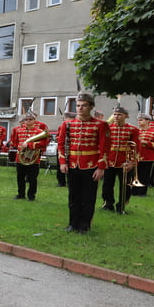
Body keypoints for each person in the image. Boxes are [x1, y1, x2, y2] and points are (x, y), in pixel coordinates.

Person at [58, 92, 109, 234]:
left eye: (84, 105)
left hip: (91, 166)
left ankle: (84, 225)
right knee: (73, 197)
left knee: (88, 197)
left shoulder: (101, 125)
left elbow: (104, 147)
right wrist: (63, 162)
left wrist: (101, 168)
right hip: (73, 165)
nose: (80, 108)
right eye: (78, 105)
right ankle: (72, 224)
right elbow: (61, 145)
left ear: (91, 107)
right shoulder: (67, 124)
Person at [101, 106, 140, 213]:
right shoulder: (108, 128)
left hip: (125, 161)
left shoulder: (133, 129)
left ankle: (121, 205)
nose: (116, 116)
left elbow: (136, 147)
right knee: (107, 184)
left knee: (126, 185)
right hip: (110, 160)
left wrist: (132, 162)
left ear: (126, 116)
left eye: (119, 115)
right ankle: (108, 204)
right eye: (114, 114)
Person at [10, 113, 49, 201]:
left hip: (33, 158)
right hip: (20, 158)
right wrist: (21, 148)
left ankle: (31, 196)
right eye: (26, 119)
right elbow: (15, 142)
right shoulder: (19, 130)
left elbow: (43, 143)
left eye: (30, 119)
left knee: (32, 178)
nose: (28, 121)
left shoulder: (39, 132)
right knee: (20, 177)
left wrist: (29, 145)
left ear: (34, 121)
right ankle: (21, 194)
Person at [134, 113, 154, 197]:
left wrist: (147, 143)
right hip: (136, 156)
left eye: (141, 120)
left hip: (148, 156)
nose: (139, 122)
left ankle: (142, 192)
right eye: (138, 120)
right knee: (135, 174)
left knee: (144, 175)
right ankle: (134, 191)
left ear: (148, 121)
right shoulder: (136, 131)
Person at [55, 112, 76, 187]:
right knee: (60, 165)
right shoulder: (61, 126)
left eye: (66, 118)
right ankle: (61, 182)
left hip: (71, 149)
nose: (65, 120)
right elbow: (58, 137)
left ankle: (70, 181)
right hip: (62, 148)